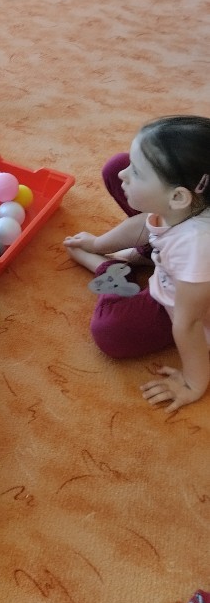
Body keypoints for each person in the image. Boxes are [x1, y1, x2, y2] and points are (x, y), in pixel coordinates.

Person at [64, 115, 210, 414]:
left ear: (178, 197)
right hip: (178, 251)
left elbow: (190, 322)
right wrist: (98, 243)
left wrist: (193, 383)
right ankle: (146, 254)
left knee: (110, 332)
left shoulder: (196, 248)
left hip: (189, 301)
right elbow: (146, 222)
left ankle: (112, 270)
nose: (124, 175)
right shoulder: (184, 205)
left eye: (137, 172)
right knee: (113, 166)